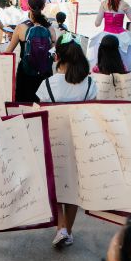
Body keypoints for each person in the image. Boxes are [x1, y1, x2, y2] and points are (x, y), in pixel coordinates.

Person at [36, 34, 97, 248]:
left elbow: (40, 114)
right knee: (73, 187)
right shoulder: (89, 83)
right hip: (80, 141)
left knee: (55, 184)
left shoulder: (48, 84)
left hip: (54, 140)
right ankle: (67, 231)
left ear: (58, 56)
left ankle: (61, 227)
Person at [6, 0, 57, 102]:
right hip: (44, 74)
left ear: (28, 7)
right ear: (43, 7)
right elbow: (55, 54)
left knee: (24, 105)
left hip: (25, 73)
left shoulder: (21, 28)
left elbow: (8, 52)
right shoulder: (50, 29)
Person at [89, 0, 131, 72]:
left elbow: (97, 24)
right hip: (121, 38)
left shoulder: (104, 4)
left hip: (105, 37)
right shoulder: (125, 5)